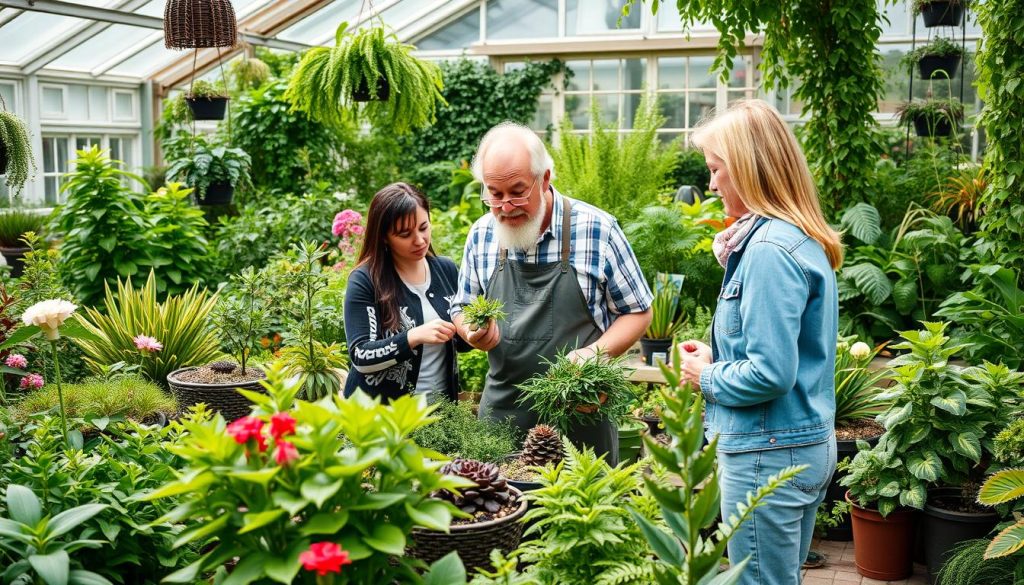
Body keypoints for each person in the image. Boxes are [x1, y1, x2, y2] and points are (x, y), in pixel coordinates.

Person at [676, 99, 842, 585]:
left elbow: (770, 374)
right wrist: (719, 356)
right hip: (799, 443)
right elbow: (783, 353)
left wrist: (704, 375)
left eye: (715, 169)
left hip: (766, 456)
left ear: (748, 168)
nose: (710, 184)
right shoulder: (797, 239)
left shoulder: (768, 251)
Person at [451, 121, 653, 465]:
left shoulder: (596, 229)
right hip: (502, 419)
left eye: (517, 191)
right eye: (494, 194)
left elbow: (638, 311)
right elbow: (463, 306)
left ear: (544, 179)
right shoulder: (482, 234)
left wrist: (593, 353)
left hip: (580, 416)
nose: (504, 206)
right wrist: (471, 331)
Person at [343, 182, 468, 401]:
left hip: (442, 417)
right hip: (384, 421)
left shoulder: (446, 270)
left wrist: (476, 331)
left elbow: (462, 343)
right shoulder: (365, 280)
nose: (419, 240)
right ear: (383, 236)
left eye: (423, 227)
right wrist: (411, 337)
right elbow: (361, 355)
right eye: (404, 234)